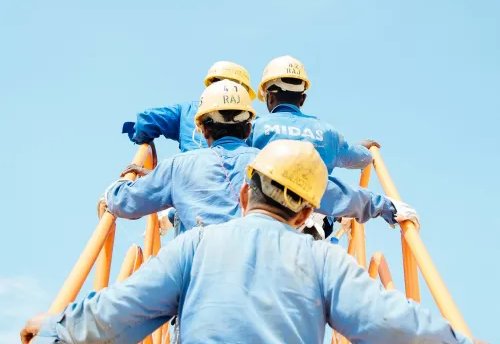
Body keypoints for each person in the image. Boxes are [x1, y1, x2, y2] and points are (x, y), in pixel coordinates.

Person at [22, 140, 497, 344]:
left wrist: (49, 331)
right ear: (306, 212)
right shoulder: (325, 260)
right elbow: (386, 322)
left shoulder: (194, 246)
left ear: (246, 193)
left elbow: (119, 312)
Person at [103, 80, 418, 234]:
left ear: (201, 125)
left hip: (199, 295)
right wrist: (386, 206)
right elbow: (335, 193)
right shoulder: (276, 163)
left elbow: (125, 202)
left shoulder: (177, 168)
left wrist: (118, 187)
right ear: (249, 124)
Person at [248, 55, 380, 239]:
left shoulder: (253, 128)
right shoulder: (327, 132)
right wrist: (365, 149)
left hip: (263, 221)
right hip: (313, 214)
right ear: (302, 99)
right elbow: (361, 159)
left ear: (268, 96)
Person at [122, 60, 256, 152]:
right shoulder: (252, 122)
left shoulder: (186, 111)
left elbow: (145, 121)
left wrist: (145, 143)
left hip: (187, 182)